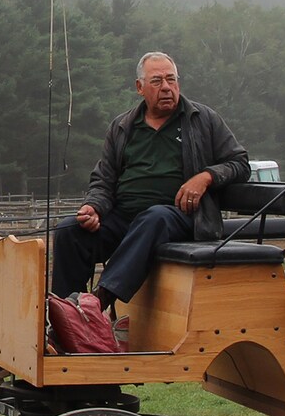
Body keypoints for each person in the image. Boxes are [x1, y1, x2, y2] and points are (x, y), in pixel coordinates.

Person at [50, 52, 254, 315]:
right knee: (69, 230)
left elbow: (240, 163)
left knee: (154, 217)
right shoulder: (123, 126)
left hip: (180, 217)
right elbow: (104, 180)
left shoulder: (203, 119)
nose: (166, 87)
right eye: (157, 81)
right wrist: (94, 207)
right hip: (125, 217)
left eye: (171, 79)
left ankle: (97, 304)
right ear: (140, 87)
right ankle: (66, 316)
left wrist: (205, 177)